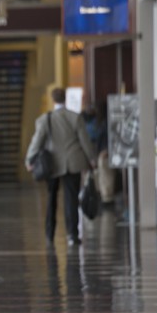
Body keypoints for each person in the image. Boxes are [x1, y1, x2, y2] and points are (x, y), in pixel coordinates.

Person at [25, 87, 96, 246]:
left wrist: (29, 160)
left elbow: (37, 141)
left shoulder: (45, 119)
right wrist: (91, 159)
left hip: (52, 164)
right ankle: (72, 235)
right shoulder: (75, 117)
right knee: (71, 199)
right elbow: (85, 141)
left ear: (53, 100)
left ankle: (50, 234)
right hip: (73, 162)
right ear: (65, 99)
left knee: (51, 199)